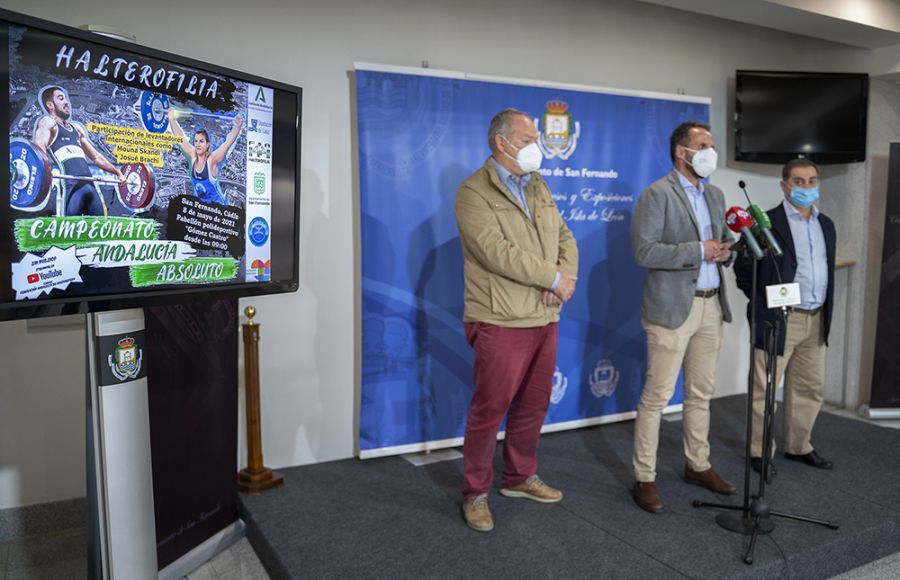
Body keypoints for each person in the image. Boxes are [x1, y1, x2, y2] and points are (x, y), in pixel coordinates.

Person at [454, 108, 578, 532]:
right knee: (490, 409)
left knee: (534, 404)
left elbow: (564, 235)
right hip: (500, 318)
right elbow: (494, 251)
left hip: (544, 314)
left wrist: (565, 277)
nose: (536, 146)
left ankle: (520, 477)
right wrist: (552, 277)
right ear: (501, 143)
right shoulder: (473, 191)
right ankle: (475, 493)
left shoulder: (538, 185)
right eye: (527, 139)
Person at [630, 121, 737, 513]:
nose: (711, 151)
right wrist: (699, 250)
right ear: (682, 152)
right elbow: (644, 252)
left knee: (700, 394)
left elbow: (721, 241)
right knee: (657, 397)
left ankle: (698, 464)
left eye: (712, 144)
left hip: (711, 304)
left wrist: (727, 249)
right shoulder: (657, 194)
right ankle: (644, 476)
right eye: (703, 145)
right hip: (672, 308)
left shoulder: (716, 194)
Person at [734, 159, 836, 481]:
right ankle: (759, 453)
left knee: (809, 387)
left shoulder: (827, 224)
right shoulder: (767, 223)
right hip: (780, 318)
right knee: (765, 390)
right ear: (784, 185)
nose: (806, 187)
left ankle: (799, 444)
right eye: (799, 181)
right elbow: (743, 270)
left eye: (812, 181)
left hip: (816, 317)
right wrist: (766, 301)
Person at [33, 85, 124, 216]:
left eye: (65, 98)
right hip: (72, 187)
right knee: (74, 233)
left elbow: (96, 157)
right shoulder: (48, 123)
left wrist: (118, 173)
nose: (66, 102)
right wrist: (43, 171)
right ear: (50, 105)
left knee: (99, 229)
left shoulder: (76, 129)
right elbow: (39, 149)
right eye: (60, 98)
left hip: (91, 186)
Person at [168, 109, 242, 206]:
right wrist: (172, 120)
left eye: (201, 141)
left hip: (218, 208)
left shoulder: (212, 160)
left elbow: (227, 144)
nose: (198, 144)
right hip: (202, 209)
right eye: (196, 141)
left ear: (207, 144)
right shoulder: (193, 155)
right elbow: (181, 138)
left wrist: (238, 126)